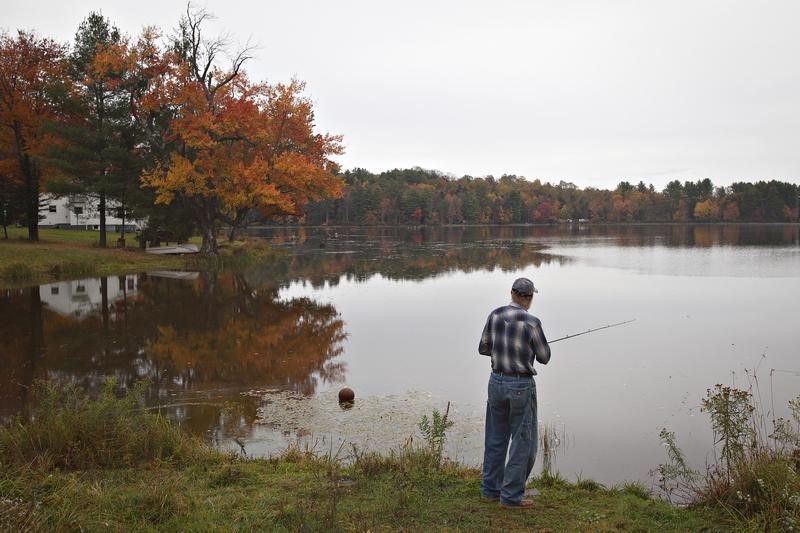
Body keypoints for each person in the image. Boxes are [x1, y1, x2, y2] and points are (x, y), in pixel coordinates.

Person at [478, 277, 551, 508]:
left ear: (512, 293)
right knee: (522, 443)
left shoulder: (495, 315)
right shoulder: (532, 322)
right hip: (520, 385)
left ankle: (490, 490)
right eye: (531, 297)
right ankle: (510, 497)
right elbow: (545, 357)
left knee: (495, 439)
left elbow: (483, 348)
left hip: (496, 381)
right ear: (528, 298)